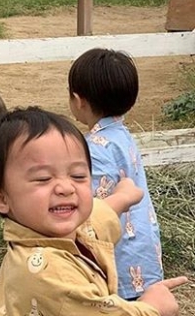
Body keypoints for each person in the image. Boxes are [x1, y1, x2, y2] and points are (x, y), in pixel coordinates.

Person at [0, 106, 186, 316]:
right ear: (0, 198)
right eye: (43, 179)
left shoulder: (60, 235)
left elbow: (96, 219)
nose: (66, 188)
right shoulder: (48, 271)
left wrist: (123, 197)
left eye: (78, 175)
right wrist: (152, 307)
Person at [69, 48, 163, 299]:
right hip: (144, 253)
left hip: (119, 260)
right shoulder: (123, 136)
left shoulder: (92, 148)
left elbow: (94, 206)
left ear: (78, 101)